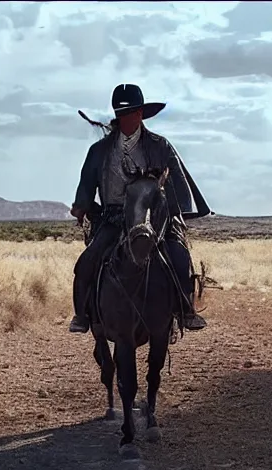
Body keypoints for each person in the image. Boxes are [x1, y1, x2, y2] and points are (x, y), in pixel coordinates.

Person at [69, 83, 210, 334]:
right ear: (117, 116)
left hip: (153, 218)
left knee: (179, 257)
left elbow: (176, 184)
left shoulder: (160, 146)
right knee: (86, 263)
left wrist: (175, 215)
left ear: (141, 114)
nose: (127, 118)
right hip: (114, 218)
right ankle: (83, 315)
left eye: (132, 112)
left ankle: (185, 309)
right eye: (122, 114)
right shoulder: (99, 150)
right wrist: (81, 206)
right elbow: (88, 181)